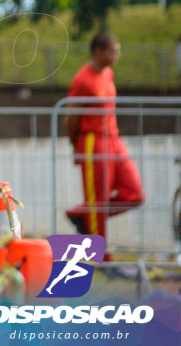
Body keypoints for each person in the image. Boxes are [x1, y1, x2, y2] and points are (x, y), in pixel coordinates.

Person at [65, 31, 145, 257]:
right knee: (97, 201)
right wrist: (76, 148)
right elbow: (71, 119)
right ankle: (102, 258)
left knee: (134, 193)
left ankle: (80, 213)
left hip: (113, 139)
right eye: (113, 50)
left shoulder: (108, 73)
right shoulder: (83, 80)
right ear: (97, 52)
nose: (117, 55)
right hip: (93, 142)